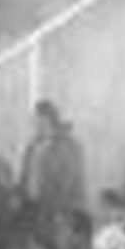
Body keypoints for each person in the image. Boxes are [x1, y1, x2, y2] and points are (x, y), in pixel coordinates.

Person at [19, 100, 87, 240]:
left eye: (39, 119)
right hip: (33, 211)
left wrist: (61, 212)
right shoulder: (32, 146)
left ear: (49, 119)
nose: (35, 124)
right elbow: (25, 177)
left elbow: (70, 181)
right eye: (34, 120)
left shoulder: (68, 146)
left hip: (58, 214)